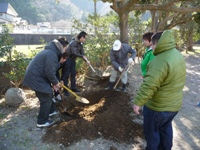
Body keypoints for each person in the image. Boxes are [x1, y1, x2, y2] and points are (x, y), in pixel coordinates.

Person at [133, 30, 186, 150]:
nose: (151, 47)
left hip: (158, 107)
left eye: (152, 44)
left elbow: (149, 85)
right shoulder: (176, 54)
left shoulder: (159, 60)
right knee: (165, 129)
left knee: (152, 135)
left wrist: (138, 103)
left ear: (157, 43)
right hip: (174, 106)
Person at [23, 37, 69, 128]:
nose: (65, 50)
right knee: (46, 96)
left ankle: (51, 111)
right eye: (65, 48)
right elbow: (49, 72)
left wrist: (55, 83)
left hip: (38, 76)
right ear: (61, 46)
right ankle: (42, 121)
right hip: (35, 77)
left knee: (48, 94)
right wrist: (56, 83)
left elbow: (51, 71)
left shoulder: (52, 52)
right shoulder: (52, 54)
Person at [61, 31, 88, 96]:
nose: (85, 39)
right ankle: (65, 90)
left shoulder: (80, 44)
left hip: (73, 60)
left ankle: (73, 87)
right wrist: (82, 56)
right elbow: (74, 52)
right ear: (81, 37)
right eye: (85, 38)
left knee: (73, 73)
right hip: (67, 59)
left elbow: (82, 53)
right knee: (66, 74)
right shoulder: (73, 43)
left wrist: (86, 60)